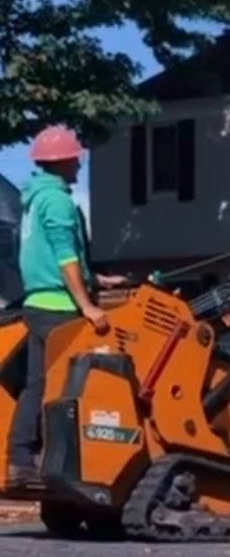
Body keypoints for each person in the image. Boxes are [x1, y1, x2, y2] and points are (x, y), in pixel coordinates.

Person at [8, 126, 124, 486]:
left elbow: (51, 257)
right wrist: (88, 305)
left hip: (37, 302)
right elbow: (64, 257)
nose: (79, 163)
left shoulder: (34, 199)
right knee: (68, 387)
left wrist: (95, 278)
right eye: (76, 157)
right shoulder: (57, 200)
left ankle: (22, 460)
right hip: (59, 307)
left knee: (37, 385)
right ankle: (57, 462)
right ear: (63, 161)